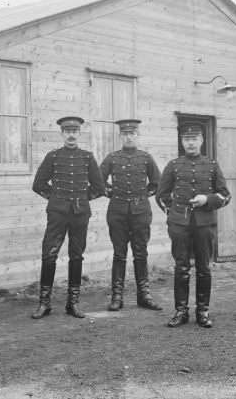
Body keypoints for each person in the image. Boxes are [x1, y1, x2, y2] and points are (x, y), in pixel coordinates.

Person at [31, 116, 106, 319]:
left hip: (80, 216)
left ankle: (72, 303)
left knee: (76, 256)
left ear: (79, 133)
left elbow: (99, 187)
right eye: (67, 131)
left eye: (75, 131)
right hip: (57, 215)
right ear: (62, 134)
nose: (71, 134)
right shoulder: (53, 157)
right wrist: (56, 199)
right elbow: (38, 184)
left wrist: (82, 199)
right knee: (49, 255)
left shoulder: (88, 157)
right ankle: (44, 304)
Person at [157, 122, 230, 328]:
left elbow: (225, 195)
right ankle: (181, 311)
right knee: (181, 267)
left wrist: (207, 200)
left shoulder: (212, 165)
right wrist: (174, 215)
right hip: (180, 225)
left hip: (204, 224)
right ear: (181, 142)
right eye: (187, 139)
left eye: (194, 139)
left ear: (201, 141)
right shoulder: (173, 165)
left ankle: (203, 311)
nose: (191, 143)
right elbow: (162, 195)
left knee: (203, 268)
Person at [99, 119, 162, 312]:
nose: (128, 137)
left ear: (137, 135)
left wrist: (143, 195)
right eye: (125, 134)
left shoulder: (146, 158)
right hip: (117, 212)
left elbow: (157, 183)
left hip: (140, 212)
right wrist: (111, 192)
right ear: (120, 136)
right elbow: (98, 181)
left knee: (140, 253)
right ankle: (117, 297)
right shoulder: (112, 158)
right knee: (119, 254)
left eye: (132, 134)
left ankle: (144, 296)